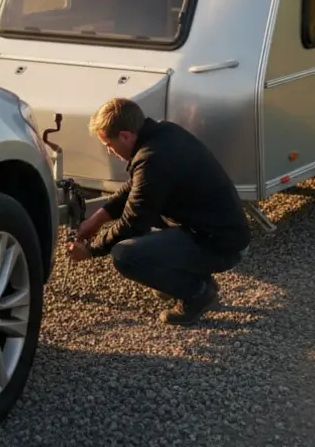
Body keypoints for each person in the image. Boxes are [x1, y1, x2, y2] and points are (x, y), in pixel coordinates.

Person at [66, 97, 251, 325]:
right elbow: (135, 187)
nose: (110, 151)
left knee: (126, 255)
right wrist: (97, 219)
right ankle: (197, 279)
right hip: (217, 231)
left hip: (221, 245)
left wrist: (91, 250)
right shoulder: (163, 134)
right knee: (147, 233)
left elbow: (133, 222)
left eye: (108, 145)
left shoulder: (152, 159)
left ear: (125, 136)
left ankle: (198, 294)